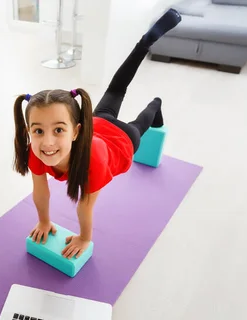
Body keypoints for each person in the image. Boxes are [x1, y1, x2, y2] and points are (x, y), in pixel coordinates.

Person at [12, 8, 182, 259]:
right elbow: (40, 191)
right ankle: (146, 43)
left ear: (75, 130)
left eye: (58, 129)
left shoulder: (94, 158)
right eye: (38, 130)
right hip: (97, 122)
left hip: (119, 140)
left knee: (141, 121)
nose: (47, 142)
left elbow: (86, 204)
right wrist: (45, 222)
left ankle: (155, 103)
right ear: (29, 131)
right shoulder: (36, 149)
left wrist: (84, 238)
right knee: (116, 90)